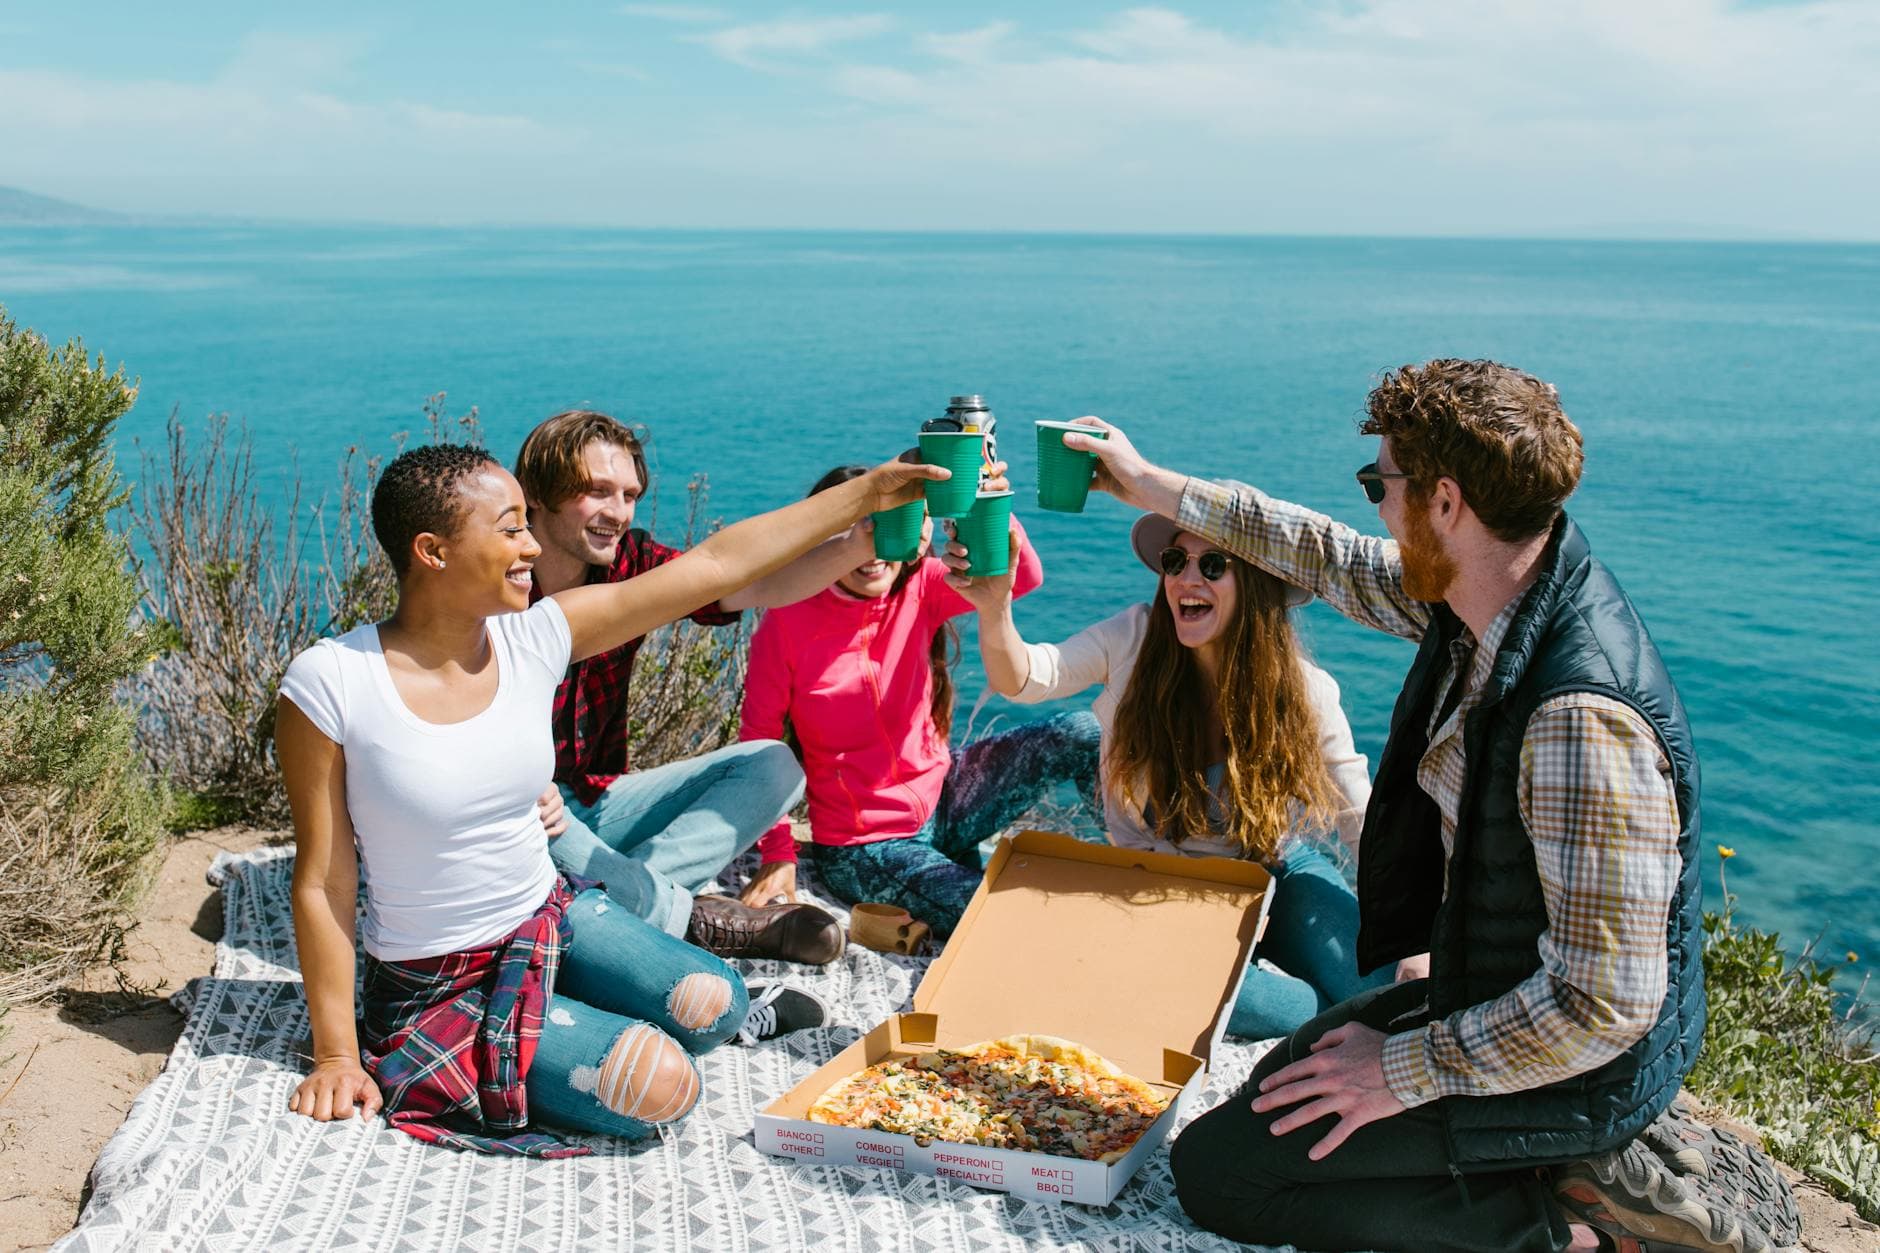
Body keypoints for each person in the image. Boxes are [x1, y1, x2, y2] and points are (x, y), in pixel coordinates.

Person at [1061, 362, 1739, 1253]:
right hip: (1487, 992)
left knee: (1221, 1173)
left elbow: (1601, 1008)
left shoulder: (1577, 722)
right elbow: (1327, 556)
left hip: (1570, 1063)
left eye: (1380, 484)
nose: (1374, 506)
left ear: (1446, 502)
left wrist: (1402, 1067)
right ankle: (1544, 1168)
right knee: (1285, 1077)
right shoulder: (1491, 602)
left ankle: (1572, 1229)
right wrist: (1150, 483)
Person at [276, 442, 951, 1153]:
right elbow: (322, 879)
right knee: (662, 1088)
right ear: (432, 550)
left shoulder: (532, 638)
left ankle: (567, 1001)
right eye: (509, 528)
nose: (531, 545)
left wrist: (871, 494)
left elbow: (714, 567)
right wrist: (336, 1056)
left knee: (718, 1004)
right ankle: (548, 1018)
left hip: (547, 917)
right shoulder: (332, 682)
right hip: (434, 982)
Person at [954, 489, 1398, 1040]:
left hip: (1276, 872)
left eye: (1212, 565)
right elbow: (1024, 677)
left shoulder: (1305, 692)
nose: (1187, 578)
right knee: (1215, 998)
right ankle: (1314, 1013)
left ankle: (1316, 994)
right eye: (1175, 561)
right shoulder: (1133, 639)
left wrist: (1415, 940)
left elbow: (1364, 818)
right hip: (1163, 886)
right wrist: (994, 607)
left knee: (1394, 991)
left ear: (1257, 583)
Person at [514, 410, 887, 966]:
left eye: (629, 494)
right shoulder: (494, 581)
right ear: (537, 495)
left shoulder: (631, 563)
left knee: (774, 765)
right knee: (527, 820)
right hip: (523, 811)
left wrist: (860, 545)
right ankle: (689, 921)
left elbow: (751, 581)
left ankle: (610, 911)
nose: (617, 512)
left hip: (596, 797)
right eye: (597, 492)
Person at [735, 465, 1103, 936]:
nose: (874, 552)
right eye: (860, 532)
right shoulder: (787, 623)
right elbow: (759, 747)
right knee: (992, 912)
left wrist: (986, 502)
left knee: (1081, 733)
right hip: (866, 843)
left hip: (944, 796)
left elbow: (1024, 577)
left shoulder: (920, 585)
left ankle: (1138, 858)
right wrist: (778, 854)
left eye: (890, 525)